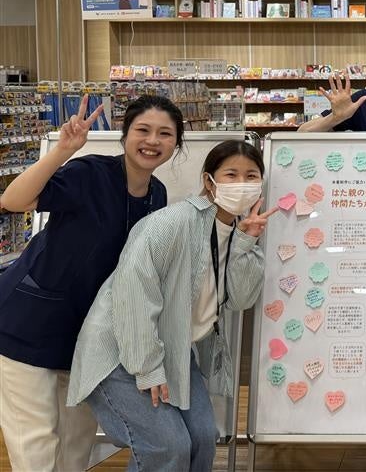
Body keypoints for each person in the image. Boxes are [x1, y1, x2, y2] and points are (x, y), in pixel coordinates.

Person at [67, 140, 277, 471]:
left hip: (174, 351)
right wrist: (148, 368)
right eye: (231, 174)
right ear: (209, 180)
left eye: (251, 176)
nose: (242, 184)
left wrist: (246, 241)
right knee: (167, 447)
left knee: (203, 438)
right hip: (121, 353)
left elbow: (241, 298)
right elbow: (134, 296)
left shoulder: (235, 231)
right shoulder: (173, 222)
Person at [0, 94, 183, 472]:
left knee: (76, 445)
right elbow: (14, 200)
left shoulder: (158, 196)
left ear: (176, 143)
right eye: (143, 130)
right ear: (125, 134)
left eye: (165, 134)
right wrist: (62, 151)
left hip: (87, 340)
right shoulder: (90, 173)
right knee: (36, 447)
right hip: (26, 326)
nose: (153, 141)